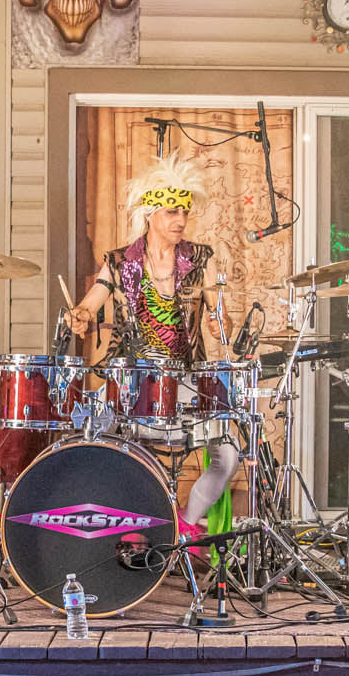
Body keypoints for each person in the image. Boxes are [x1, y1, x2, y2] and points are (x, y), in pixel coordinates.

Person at [66, 155, 242, 538]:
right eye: (171, 211)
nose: (181, 220)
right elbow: (91, 303)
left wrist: (221, 324)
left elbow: (221, 317)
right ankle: (122, 525)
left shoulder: (200, 259)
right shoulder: (119, 262)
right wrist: (79, 315)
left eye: (185, 212)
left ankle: (186, 523)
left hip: (187, 377)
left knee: (227, 456)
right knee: (94, 447)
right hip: (130, 379)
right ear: (150, 214)